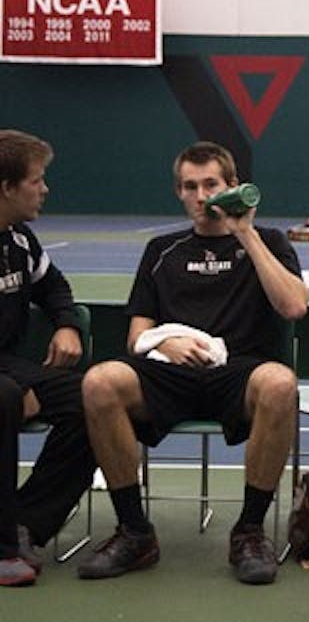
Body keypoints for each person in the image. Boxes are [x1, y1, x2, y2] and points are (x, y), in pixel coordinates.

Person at [76, 142, 307, 585]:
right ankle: (135, 532)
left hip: (239, 372)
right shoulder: (162, 249)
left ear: (232, 187)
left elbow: (294, 306)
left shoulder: (269, 241)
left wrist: (246, 233)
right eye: (190, 186)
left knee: (280, 383)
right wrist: (167, 340)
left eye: (211, 185)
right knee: (99, 381)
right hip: (169, 373)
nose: (201, 196)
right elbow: (136, 336)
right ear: (179, 192)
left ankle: (249, 532)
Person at [0, 130, 95, 587]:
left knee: (97, 399)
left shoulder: (19, 240)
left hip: (8, 366)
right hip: (6, 377)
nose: (45, 189)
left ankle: (24, 524)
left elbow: (54, 286)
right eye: (36, 180)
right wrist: (19, 387)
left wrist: (67, 324)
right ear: (7, 188)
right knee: (4, 397)